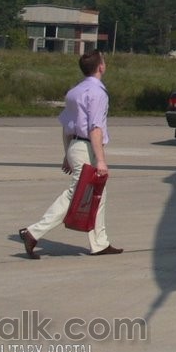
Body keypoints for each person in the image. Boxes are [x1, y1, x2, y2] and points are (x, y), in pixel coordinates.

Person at [18, 50, 120, 258]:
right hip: (87, 148)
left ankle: (100, 242)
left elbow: (66, 126)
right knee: (76, 194)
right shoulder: (97, 93)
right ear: (100, 66)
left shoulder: (75, 91)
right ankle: (33, 232)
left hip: (76, 146)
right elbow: (95, 128)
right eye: (104, 61)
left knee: (98, 195)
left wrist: (67, 153)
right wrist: (101, 160)